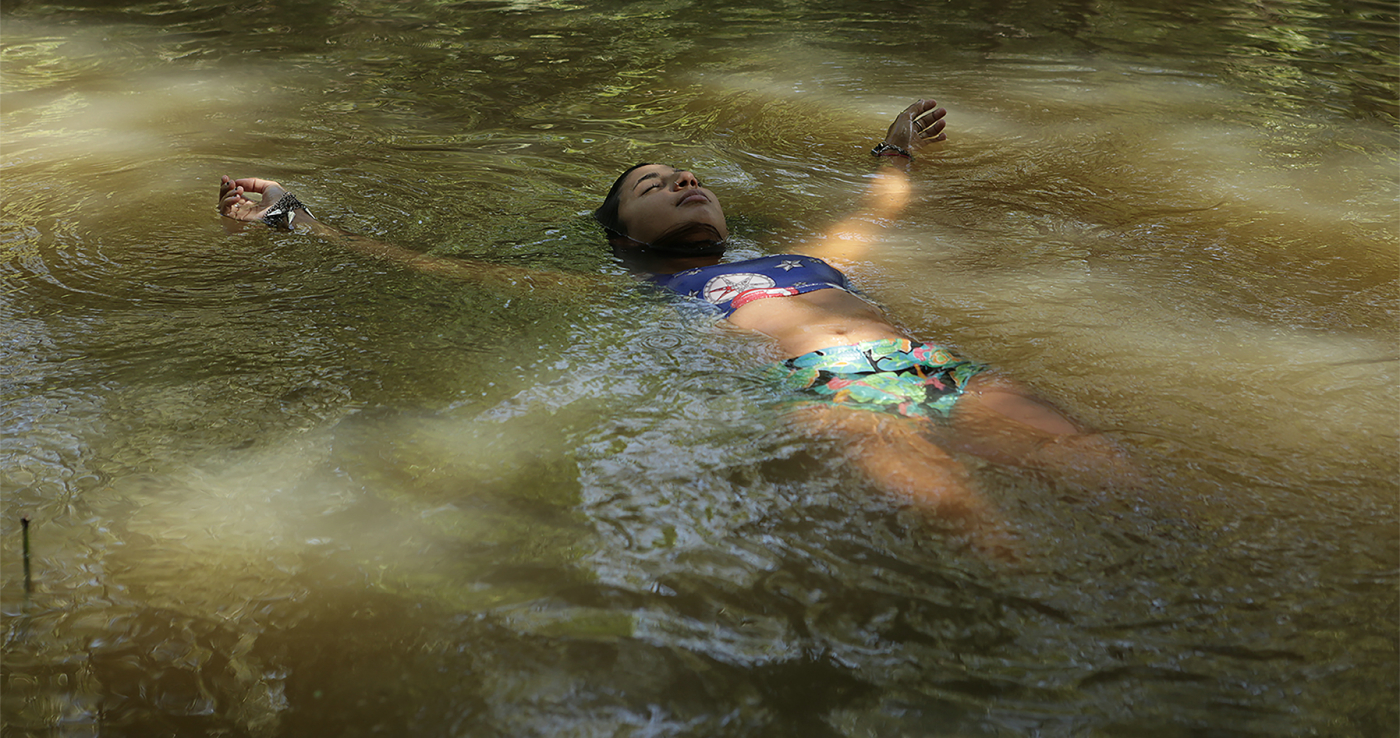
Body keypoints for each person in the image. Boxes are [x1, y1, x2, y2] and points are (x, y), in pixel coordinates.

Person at [220, 100, 1140, 557]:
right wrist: (293, 218)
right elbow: (432, 266)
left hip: (935, 364)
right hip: (829, 393)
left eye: (690, 177)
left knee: (1097, 458)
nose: (684, 181)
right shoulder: (655, 292)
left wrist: (895, 146)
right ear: (625, 234)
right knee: (971, 520)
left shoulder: (809, 258)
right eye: (654, 186)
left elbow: (880, 207)